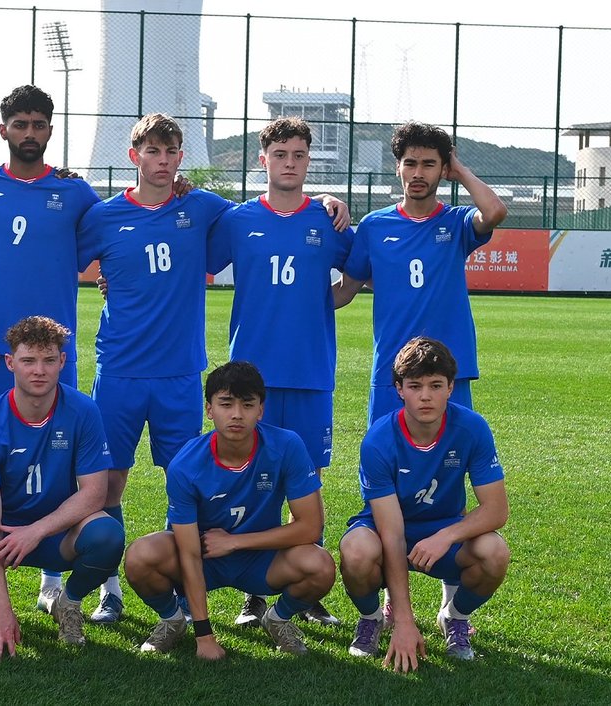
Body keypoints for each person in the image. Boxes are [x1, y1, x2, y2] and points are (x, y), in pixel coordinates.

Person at [76, 113, 233, 622]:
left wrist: (325, 201)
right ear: (134, 156)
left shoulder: (202, 205)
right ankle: (110, 587)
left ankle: (185, 589)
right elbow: (58, 258)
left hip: (180, 375)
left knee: (182, 480)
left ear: (181, 159)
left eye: (171, 153)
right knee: (108, 483)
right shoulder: (103, 217)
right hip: (119, 370)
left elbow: (267, 215)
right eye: (153, 152)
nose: (162, 163)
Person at [0, 85, 102, 607]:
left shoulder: (76, 192)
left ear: (50, 131)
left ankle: (53, 577)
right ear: (4, 130)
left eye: (39, 125)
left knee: (59, 458)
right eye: (21, 125)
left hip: (53, 354)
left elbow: (121, 231)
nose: (30, 134)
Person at [207, 117, 352, 627]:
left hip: (311, 372)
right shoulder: (236, 219)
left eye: (299, 155)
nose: (290, 163)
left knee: (306, 482)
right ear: (262, 160)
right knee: (255, 481)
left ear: (308, 161)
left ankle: (303, 590)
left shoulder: (326, 220)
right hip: (252, 380)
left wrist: (322, 304)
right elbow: (189, 262)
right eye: (280, 154)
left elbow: (355, 275)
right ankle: (254, 592)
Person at [0, 316, 123, 657]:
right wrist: (3, 607)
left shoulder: (83, 411)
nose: (39, 370)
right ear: (10, 363)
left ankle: (67, 603)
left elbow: (94, 493)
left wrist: (36, 531)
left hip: (55, 532)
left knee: (108, 535)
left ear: (63, 362)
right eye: (28, 360)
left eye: (48, 360)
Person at [123, 361, 335, 659]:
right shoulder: (185, 464)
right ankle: (172, 620)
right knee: (140, 556)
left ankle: (278, 618)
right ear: (209, 409)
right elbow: (189, 553)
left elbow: (311, 527)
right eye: (226, 404)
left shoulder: (286, 445)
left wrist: (235, 542)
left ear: (261, 410)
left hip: (260, 559)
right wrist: (204, 636)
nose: (236, 414)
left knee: (320, 565)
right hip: (205, 557)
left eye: (247, 405)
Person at [338, 337, 509, 671]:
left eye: (436, 385)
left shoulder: (472, 428)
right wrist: (404, 620)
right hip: (387, 530)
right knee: (355, 550)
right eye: (415, 386)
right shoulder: (378, 440)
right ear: (399, 389)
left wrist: (445, 536)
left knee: (495, 552)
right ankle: (372, 618)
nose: (426, 396)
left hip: (442, 530)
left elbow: (495, 510)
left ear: (450, 388)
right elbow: (392, 533)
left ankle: (454, 616)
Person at [336, 121, 508, 426]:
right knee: (384, 457)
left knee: (451, 459)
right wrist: (291, 299)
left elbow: (494, 212)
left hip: (449, 369)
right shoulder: (374, 226)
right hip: (393, 367)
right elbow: (345, 290)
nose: (418, 173)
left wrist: (461, 170)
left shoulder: (457, 222)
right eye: (410, 163)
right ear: (398, 168)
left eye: (429, 164)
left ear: (443, 170)